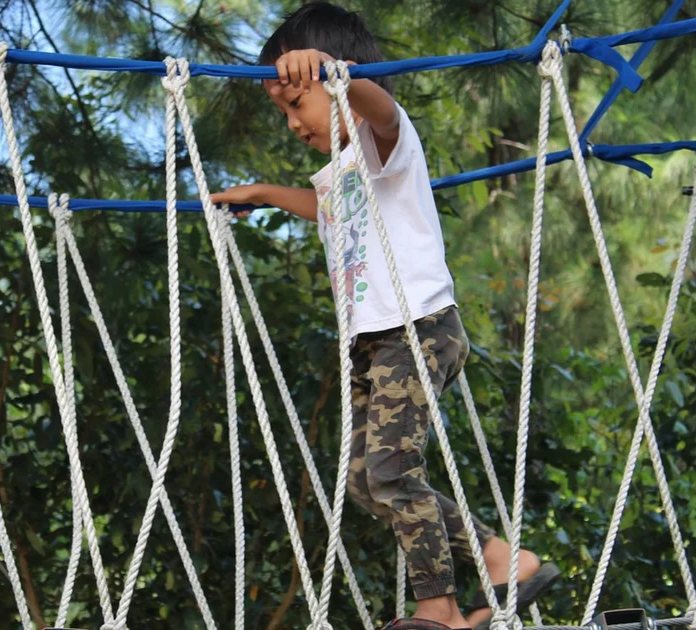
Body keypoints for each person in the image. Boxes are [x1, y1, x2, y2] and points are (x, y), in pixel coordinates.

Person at [210, 4, 559, 630]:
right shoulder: (342, 171)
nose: (292, 124)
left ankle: (439, 606)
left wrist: (336, 74)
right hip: (371, 343)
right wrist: (263, 194)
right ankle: (502, 557)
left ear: (336, 79)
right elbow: (325, 210)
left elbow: (379, 105)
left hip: (417, 328)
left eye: (296, 105)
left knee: (395, 468)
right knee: (366, 481)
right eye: (283, 113)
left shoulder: (388, 140)